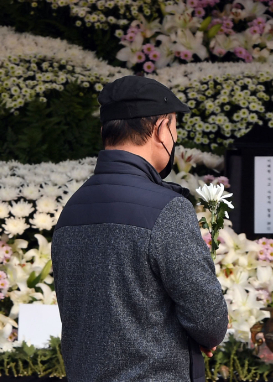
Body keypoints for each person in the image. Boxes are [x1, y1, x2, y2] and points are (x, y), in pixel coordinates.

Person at [51, 75, 228, 382]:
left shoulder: (73, 208)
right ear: (162, 128)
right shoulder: (166, 208)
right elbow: (209, 321)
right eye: (174, 125)